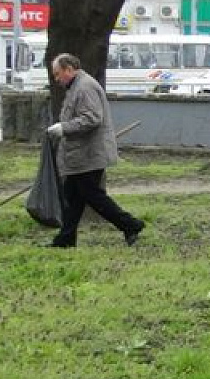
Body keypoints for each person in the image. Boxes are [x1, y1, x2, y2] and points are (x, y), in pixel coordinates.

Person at [43, 53, 145, 249]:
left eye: (57, 74)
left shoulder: (85, 87)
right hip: (82, 154)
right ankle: (65, 239)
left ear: (69, 69)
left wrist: (64, 128)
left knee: (93, 197)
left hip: (89, 153)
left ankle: (131, 225)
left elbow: (92, 118)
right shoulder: (77, 86)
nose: (56, 79)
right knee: (73, 198)